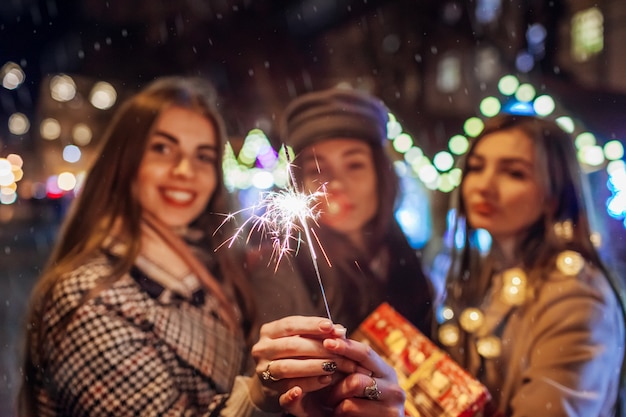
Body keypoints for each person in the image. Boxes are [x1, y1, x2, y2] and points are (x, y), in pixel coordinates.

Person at [17, 76, 405, 417]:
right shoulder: (87, 297)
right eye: (163, 149)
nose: (185, 171)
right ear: (124, 160)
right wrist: (259, 394)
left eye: (203, 156)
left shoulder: (219, 267)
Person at [436, 114, 626, 416]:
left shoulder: (576, 297)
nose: (483, 186)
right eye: (476, 167)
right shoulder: (493, 274)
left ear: (553, 196)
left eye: (514, 173)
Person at [248, 86, 435, 336]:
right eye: (317, 170)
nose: (335, 184)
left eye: (354, 165)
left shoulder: (407, 262)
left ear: (381, 176)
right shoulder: (281, 268)